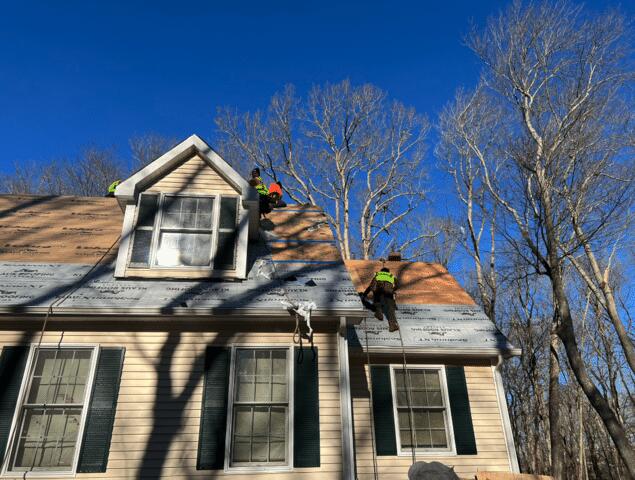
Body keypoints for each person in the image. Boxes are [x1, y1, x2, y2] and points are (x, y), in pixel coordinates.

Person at [362, 267, 399, 332]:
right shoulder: (391, 275)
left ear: (381, 271)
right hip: (388, 292)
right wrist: (393, 290)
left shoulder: (378, 274)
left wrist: (364, 294)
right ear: (388, 271)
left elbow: (371, 286)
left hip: (378, 291)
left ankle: (379, 314)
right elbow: (397, 285)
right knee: (390, 308)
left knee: (377, 301)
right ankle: (392, 325)